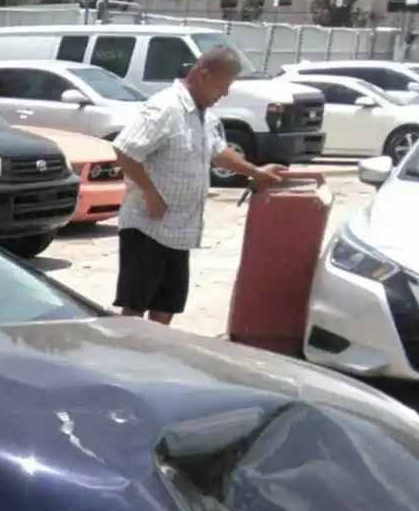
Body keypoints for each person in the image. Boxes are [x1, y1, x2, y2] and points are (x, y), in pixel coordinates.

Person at [110, 48, 287, 325]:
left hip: (179, 230)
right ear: (204, 76)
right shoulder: (166, 107)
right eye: (224, 85)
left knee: (167, 304)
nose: (225, 94)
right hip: (148, 227)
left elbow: (218, 152)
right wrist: (149, 191)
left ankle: (156, 357)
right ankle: (127, 360)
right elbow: (125, 150)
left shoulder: (206, 115)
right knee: (135, 306)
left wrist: (257, 172)